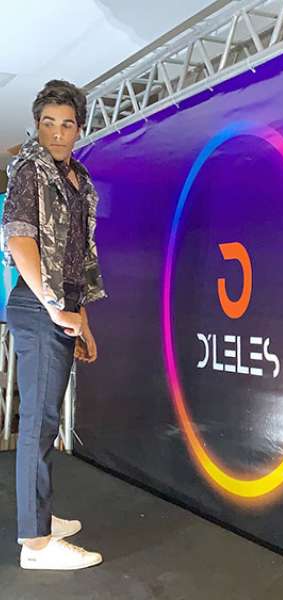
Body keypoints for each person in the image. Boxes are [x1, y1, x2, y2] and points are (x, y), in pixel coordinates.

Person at [1, 79, 107, 570]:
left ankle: (38, 517)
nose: (58, 134)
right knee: (39, 424)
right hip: (37, 305)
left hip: (62, 308)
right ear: (37, 125)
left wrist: (81, 320)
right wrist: (52, 306)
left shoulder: (77, 178)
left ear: (79, 129)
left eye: (67, 125)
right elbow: (20, 240)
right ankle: (36, 545)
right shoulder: (29, 169)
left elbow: (76, 258)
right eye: (48, 124)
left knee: (44, 423)